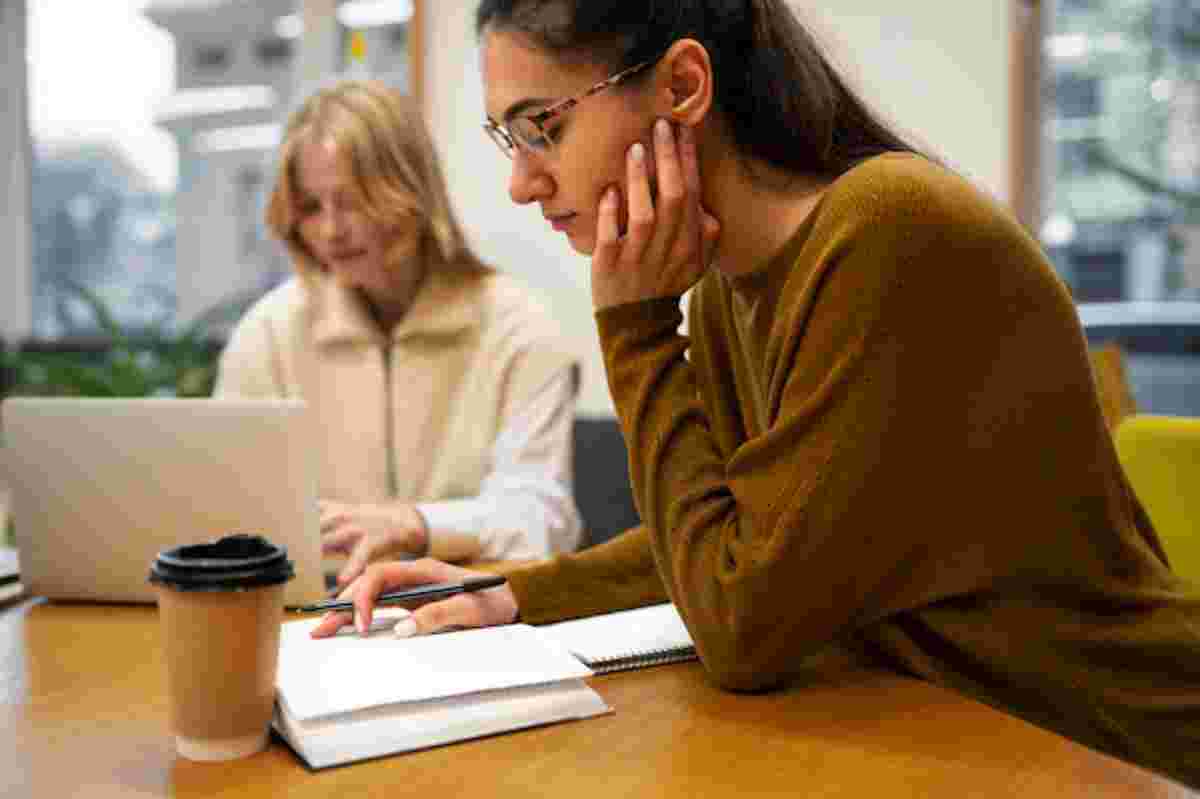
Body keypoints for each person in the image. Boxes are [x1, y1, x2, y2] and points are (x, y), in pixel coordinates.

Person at [312, 1, 1200, 787]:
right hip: (957, 736)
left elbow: (742, 623)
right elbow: (743, 537)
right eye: (511, 140)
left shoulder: (884, 234)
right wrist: (509, 592)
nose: (521, 181)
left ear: (683, 86)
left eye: (543, 126)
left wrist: (635, 330)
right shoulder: (732, 286)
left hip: (1114, 752)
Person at [215, 79, 584, 581]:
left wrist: (416, 524)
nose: (331, 230)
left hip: (470, 617)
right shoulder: (267, 334)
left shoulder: (520, 330)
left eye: (353, 200)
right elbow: (225, 515)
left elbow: (541, 522)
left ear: (413, 193)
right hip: (313, 616)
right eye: (311, 207)